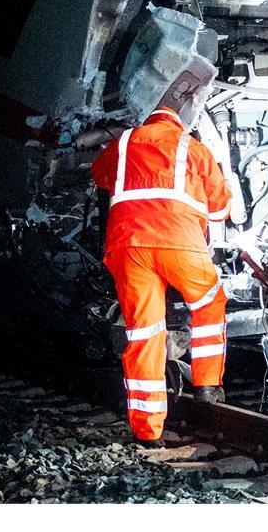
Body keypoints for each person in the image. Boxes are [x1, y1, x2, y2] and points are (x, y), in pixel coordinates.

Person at [91, 104, 232, 447]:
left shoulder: (123, 143)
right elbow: (222, 208)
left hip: (130, 247)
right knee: (210, 304)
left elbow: (99, 176)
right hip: (181, 245)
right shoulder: (194, 148)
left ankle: (148, 432)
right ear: (179, 123)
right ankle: (208, 385)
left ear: (149, 119)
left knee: (144, 333)